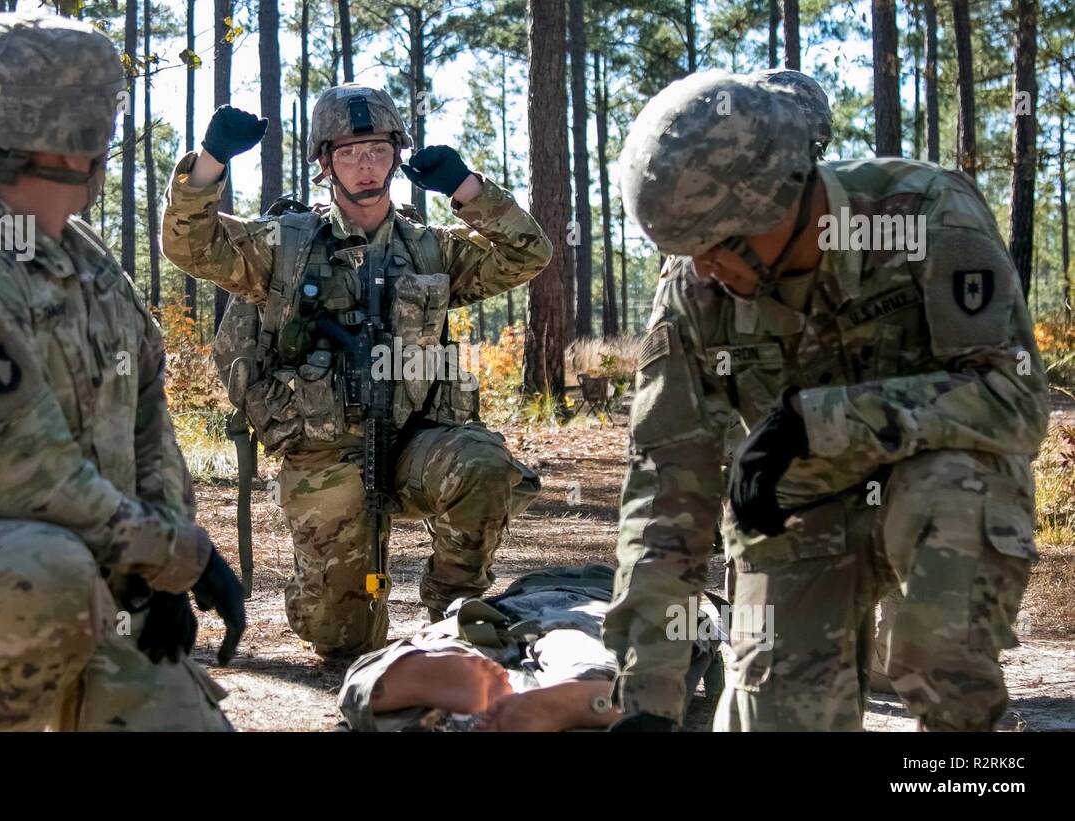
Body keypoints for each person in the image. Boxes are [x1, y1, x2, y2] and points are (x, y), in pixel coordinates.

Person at [605, 69, 1048, 731]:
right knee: (778, 717)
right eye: (683, 251)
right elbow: (666, 488)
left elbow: (1013, 400)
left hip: (942, 483)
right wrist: (645, 701)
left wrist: (820, 421)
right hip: (797, 508)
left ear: (777, 200)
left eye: (715, 244)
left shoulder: (924, 212)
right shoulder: (694, 293)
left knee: (935, 644)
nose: (700, 268)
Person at [0, 11, 244, 731]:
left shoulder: (84, 258)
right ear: (80, 140)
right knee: (41, 577)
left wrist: (162, 573)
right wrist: (177, 552)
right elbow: (29, 481)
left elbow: (150, 408)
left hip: (96, 571)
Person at [161, 83, 551, 658]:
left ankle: (452, 604)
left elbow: (529, 253)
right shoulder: (285, 247)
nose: (365, 166)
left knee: (485, 465)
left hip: (418, 444)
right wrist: (210, 161)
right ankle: (326, 592)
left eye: (377, 151)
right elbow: (190, 246)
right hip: (325, 454)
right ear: (325, 162)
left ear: (397, 155)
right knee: (342, 640)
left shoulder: (430, 247)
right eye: (349, 153)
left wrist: (465, 188)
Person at [337, 565, 726, 731]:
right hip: (600, 608)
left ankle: (433, 661)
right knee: (590, 653)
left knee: (454, 635)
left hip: (504, 607)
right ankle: (578, 691)